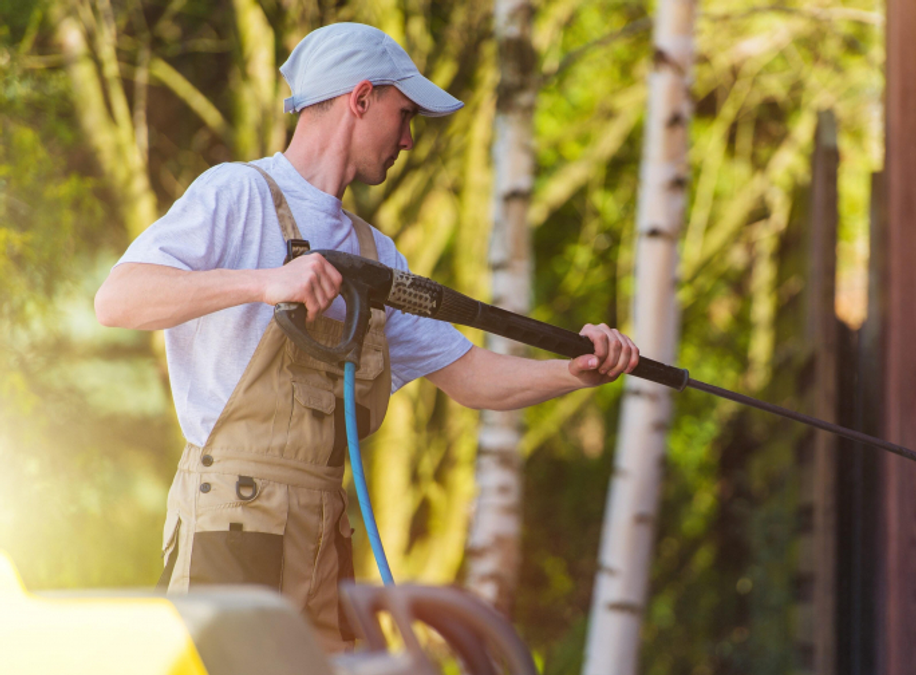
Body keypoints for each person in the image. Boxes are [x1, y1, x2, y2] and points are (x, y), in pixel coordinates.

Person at [93, 22, 639, 652]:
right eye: (404, 115)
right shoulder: (237, 193)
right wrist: (265, 282)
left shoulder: (376, 257)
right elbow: (118, 298)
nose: (408, 138)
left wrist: (572, 373)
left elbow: (469, 377)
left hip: (327, 536)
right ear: (360, 99)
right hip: (235, 523)